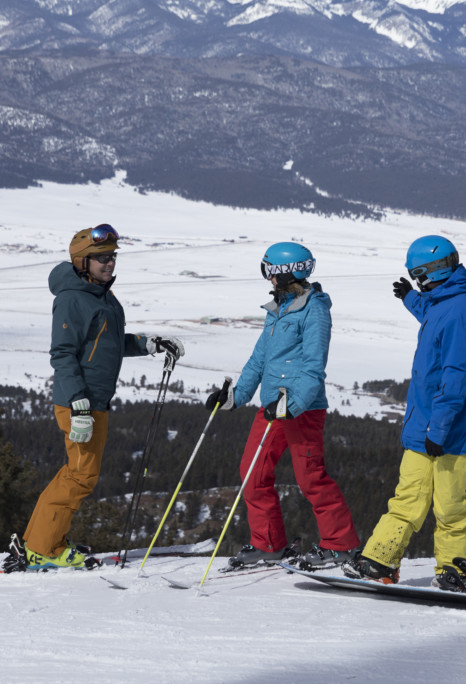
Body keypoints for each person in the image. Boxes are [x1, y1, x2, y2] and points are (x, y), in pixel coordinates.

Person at [2, 224, 185, 573]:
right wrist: (78, 403)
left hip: (94, 401)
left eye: (112, 257)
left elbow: (110, 341)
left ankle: (43, 540)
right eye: (101, 258)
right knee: (80, 476)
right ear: (81, 261)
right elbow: (63, 354)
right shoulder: (73, 299)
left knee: (78, 474)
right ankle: (42, 548)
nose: (109, 263)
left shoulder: (103, 296)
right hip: (80, 403)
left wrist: (148, 343)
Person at [343, 235, 466, 593]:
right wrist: (410, 300)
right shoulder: (446, 300)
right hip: (427, 426)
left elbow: (457, 376)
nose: (416, 283)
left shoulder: (461, 310)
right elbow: (432, 314)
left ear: (433, 271)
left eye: (417, 277)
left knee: (449, 505)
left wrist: (440, 429)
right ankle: (379, 559)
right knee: (407, 496)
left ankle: (456, 570)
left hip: (454, 432)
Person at [206, 241, 359, 569]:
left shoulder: (314, 309)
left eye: (268, 271)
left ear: (283, 272)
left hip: (300, 410)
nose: (267, 279)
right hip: (271, 407)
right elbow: (260, 359)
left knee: (310, 479)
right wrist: (236, 396)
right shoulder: (277, 309)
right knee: (253, 472)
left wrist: (295, 402)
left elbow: (314, 366)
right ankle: (268, 544)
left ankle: (340, 545)